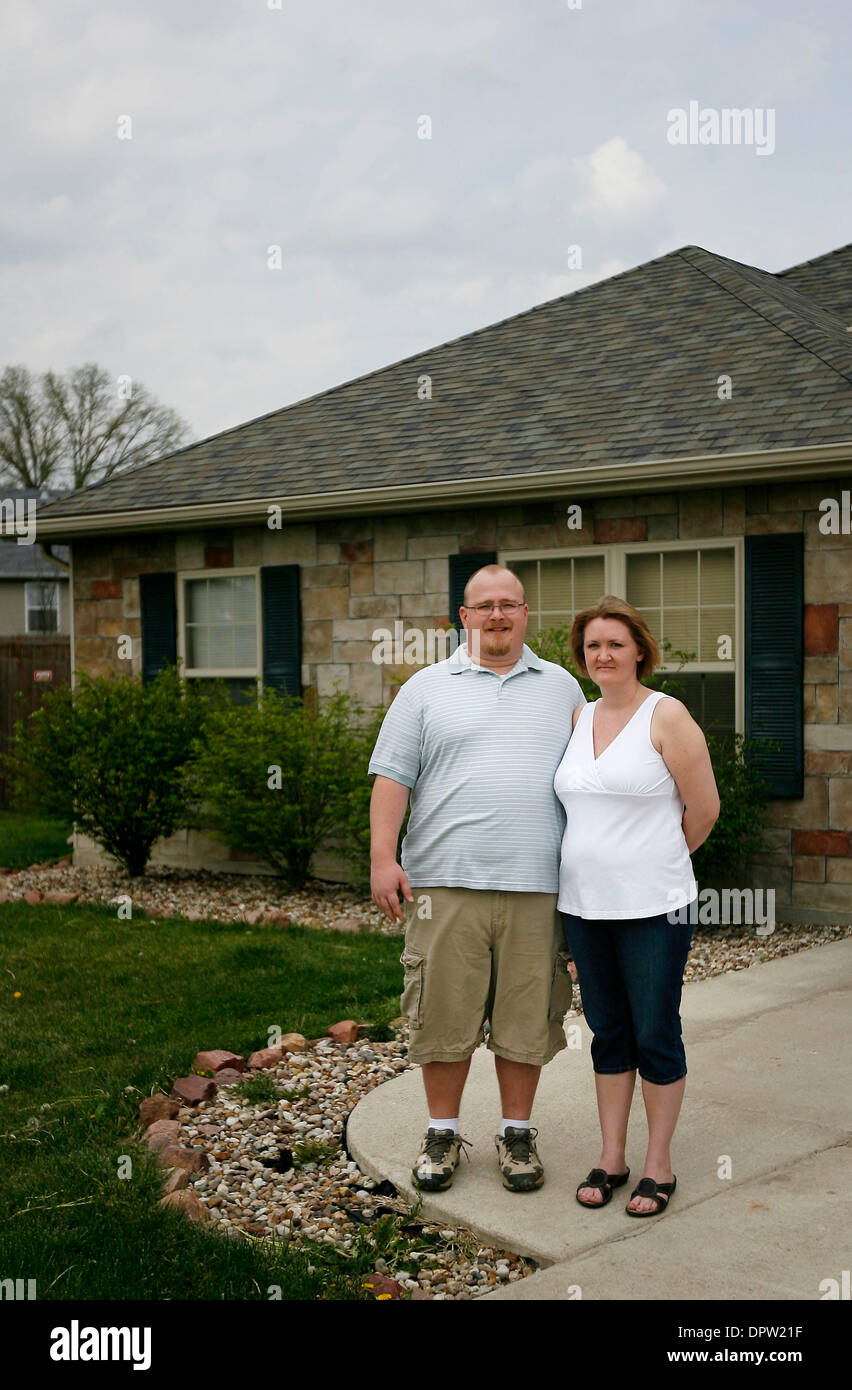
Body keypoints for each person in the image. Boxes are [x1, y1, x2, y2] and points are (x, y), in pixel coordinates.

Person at [369, 564, 585, 1193]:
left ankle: (517, 1134)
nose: (497, 614)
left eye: (509, 604)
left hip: (538, 885)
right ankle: (442, 1132)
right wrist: (385, 858)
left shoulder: (563, 688)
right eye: (483, 605)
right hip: (443, 885)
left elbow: (589, 780)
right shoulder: (424, 690)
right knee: (442, 1013)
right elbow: (392, 779)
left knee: (527, 1016)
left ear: (525, 614)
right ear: (462, 617)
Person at [553, 596, 719, 1216]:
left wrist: (654, 861)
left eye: (615, 644)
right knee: (608, 1032)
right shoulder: (576, 719)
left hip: (656, 908)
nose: (603, 655)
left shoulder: (666, 716)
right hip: (584, 908)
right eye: (593, 645)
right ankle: (613, 1156)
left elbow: (703, 811)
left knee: (654, 1030)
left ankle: (659, 1165)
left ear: (639, 651)